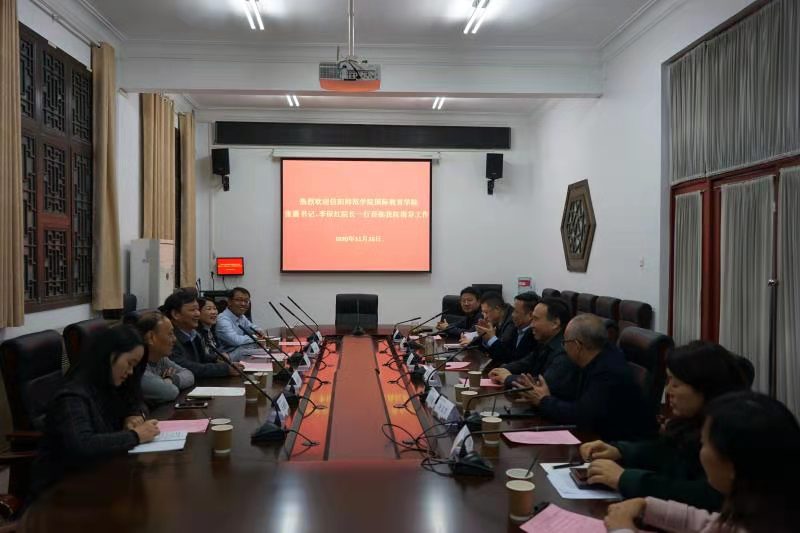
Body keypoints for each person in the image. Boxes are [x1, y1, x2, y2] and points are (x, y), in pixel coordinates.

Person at [580, 342, 749, 510]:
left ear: (705, 388)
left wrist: (625, 479)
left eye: (675, 384)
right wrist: (620, 451)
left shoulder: (730, 432)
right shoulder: (691, 421)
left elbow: (707, 497)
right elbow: (667, 453)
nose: (668, 391)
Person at [605, 391, 800, 533]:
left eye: (704, 444)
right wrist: (648, 506)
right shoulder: (766, 511)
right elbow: (711, 523)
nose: (700, 451)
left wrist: (622, 529)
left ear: (733, 464)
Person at [31, 326, 160, 496]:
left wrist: (134, 415)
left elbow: (137, 401)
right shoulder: (72, 396)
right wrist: (135, 436)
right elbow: (82, 445)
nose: (130, 372)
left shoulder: (110, 384)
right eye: (129, 363)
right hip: (62, 491)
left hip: (100, 478)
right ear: (109, 355)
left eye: (134, 366)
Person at [514, 314, 654, 441]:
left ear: (577, 346)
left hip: (617, 445)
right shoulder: (598, 355)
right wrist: (540, 397)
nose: (563, 348)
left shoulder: (608, 372)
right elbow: (569, 394)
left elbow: (581, 416)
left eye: (565, 343)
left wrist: (544, 401)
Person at [488, 297, 580, 400]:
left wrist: (507, 378)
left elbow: (542, 384)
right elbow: (526, 363)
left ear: (555, 323)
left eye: (536, 319)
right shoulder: (545, 342)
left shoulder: (565, 351)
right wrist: (503, 370)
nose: (531, 325)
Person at [164, 290, 242, 379]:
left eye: (197, 309)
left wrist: (216, 358)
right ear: (175, 314)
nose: (198, 314)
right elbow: (186, 366)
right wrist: (224, 369)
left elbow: (201, 358)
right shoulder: (169, 338)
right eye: (192, 310)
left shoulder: (194, 334)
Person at [135, 311, 195, 406]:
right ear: (151, 337)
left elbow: (189, 375)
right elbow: (170, 392)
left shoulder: (161, 359)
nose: (175, 339)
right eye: (170, 334)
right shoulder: (137, 366)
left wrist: (170, 379)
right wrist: (166, 382)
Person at [481, 291, 539, 368]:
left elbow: (516, 361)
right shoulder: (516, 330)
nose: (512, 315)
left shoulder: (534, 335)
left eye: (516, 312)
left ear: (530, 315)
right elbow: (504, 355)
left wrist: (491, 338)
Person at [215, 287, 268, 360]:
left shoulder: (241, 316)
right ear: (229, 301)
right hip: (227, 357)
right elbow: (235, 340)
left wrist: (259, 331)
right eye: (239, 300)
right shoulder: (222, 319)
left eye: (246, 301)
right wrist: (255, 338)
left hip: (240, 351)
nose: (243, 304)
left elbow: (251, 327)